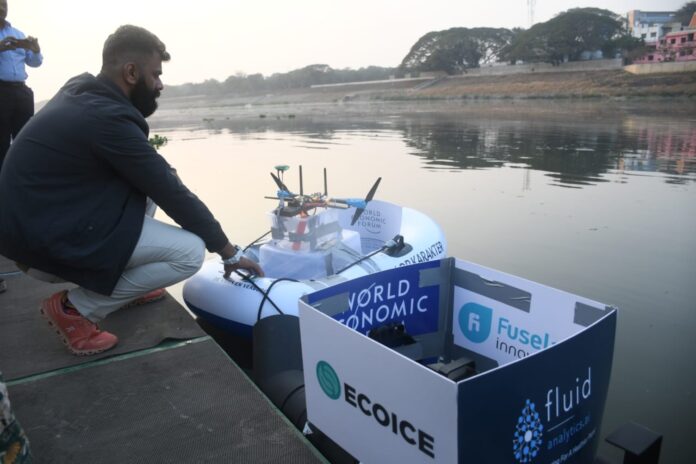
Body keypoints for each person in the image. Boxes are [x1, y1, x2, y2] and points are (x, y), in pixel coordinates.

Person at [0, 25, 263, 356]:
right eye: (156, 74)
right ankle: (75, 310)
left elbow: (159, 181)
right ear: (131, 72)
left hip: (36, 225)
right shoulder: (106, 117)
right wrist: (229, 252)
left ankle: (126, 285)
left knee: (154, 183)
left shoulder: (83, 92)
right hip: (41, 245)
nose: (160, 84)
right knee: (189, 252)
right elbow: (172, 194)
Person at [0, 0, 42, 294]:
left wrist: (34, 48)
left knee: (26, 146)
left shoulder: (17, 33)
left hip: (21, 92)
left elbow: (36, 63)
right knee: (1, 148)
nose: (1, 10)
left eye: (3, 5)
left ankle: (25, 198)